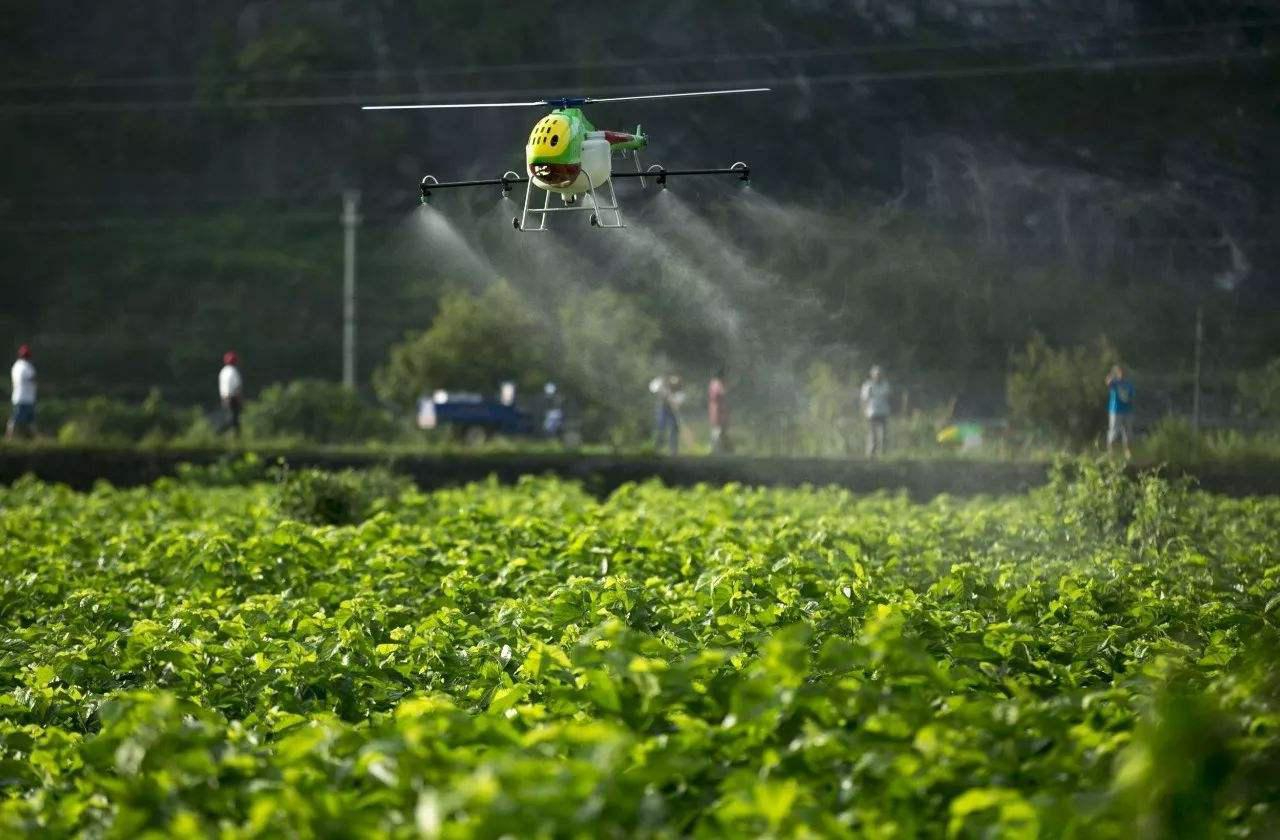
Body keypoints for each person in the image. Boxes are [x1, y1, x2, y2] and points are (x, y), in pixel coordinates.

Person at [6, 344, 37, 440]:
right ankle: (9, 438)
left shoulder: (16, 366)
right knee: (17, 420)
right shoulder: (26, 367)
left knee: (27, 421)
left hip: (19, 397)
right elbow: (32, 379)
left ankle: (31, 439)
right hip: (25, 398)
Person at [860, 365, 891, 457]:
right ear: (872, 375)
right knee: (872, 434)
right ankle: (870, 454)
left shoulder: (885, 384)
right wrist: (864, 410)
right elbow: (864, 399)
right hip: (872, 412)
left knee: (883, 434)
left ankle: (882, 454)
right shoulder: (868, 385)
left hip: (883, 412)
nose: (878, 376)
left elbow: (888, 397)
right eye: (876, 374)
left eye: (880, 374)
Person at [650, 374, 684, 455]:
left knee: (674, 429)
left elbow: (677, 404)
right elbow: (653, 388)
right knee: (660, 428)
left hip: (673, 413)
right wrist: (664, 393)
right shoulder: (663, 386)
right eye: (672, 384)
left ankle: (673, 451)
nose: (673, 386)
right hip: (663, 410)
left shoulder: (680, 393)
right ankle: (657, 448)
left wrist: (670, 399)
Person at [1105, 365, 1135, 458]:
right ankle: (1111, 453)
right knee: (1114, 432)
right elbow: (1108, 383)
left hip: (1127, 411)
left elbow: (1131, 396)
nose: (1122, 374)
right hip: (1115, 411)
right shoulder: (1114, 383)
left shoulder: (1129, 384)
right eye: (1120, 372)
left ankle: (1128, 453)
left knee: (1128, 433)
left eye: (1123, 372)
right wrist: (1111, 374)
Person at [218, 350, 244, 438]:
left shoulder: (223, 371)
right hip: (233, 398)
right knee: (234, 420)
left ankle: (226, 436)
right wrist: (239, 399)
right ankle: (234, 437)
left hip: (224, 398)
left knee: (227, 418)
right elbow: (237, 387)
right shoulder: (234, 371)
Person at [708, 367, 731, 454]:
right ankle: (715, 449)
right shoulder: (717, 384)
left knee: (720, 429)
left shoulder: (714, 383)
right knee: (717, 429)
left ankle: (721, 448)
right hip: (717, 409)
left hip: (718, 408)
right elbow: (721, 393)